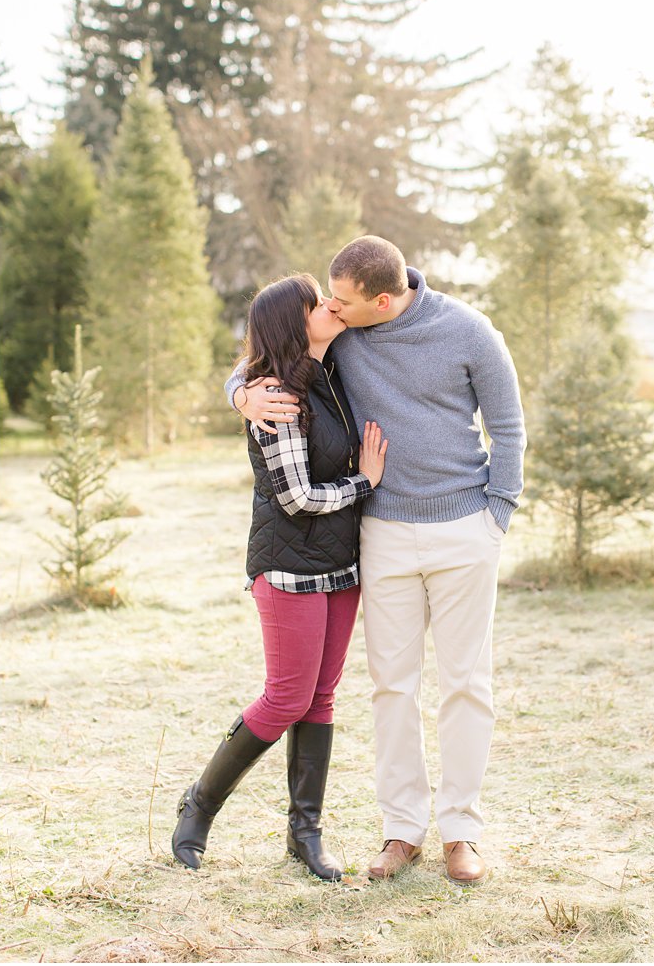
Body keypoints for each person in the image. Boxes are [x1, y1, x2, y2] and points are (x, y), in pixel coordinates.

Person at [229, 236, 524, 886]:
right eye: (328, 300)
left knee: (466, 683)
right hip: (383, 534)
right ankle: (402, 830)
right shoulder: (347, 335)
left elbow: (508, 427)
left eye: (342, 301)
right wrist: (240, 394)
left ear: (381, 300)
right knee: (392, 685)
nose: (330, 309)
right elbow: (267, 356)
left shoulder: (469, 332)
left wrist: (495, 514)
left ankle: (462, 833)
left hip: (463, 530)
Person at [173, 273, 387, 881]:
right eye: (315, 302)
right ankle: (198, 806)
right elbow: (296, 498)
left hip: (341, 566)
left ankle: (305, 833)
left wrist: (234, 387)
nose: (329, 305)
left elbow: (239, 371)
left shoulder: (331, 370)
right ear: (293, 325)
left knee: (321, 696)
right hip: (288, 565)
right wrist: (365, 482)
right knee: (286, 696)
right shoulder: (277, 396)